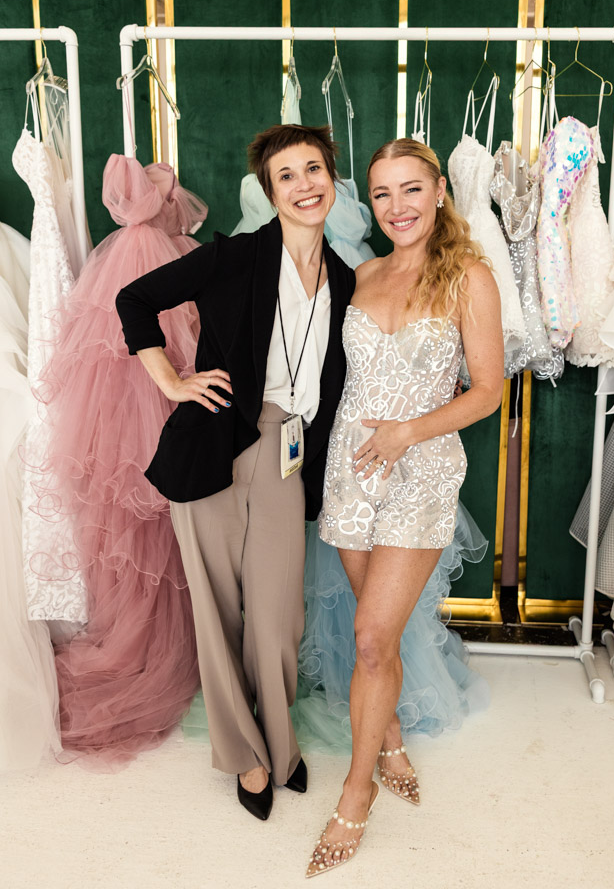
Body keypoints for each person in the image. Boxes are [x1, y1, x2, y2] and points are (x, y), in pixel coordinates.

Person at [115, 124, 355, 821]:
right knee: (216, 615)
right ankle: (245, 758)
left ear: (331, 178)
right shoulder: (238, 256)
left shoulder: (344, 278)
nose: (304, 184)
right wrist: (170, 380)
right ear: (268, 190)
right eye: (287, 175)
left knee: (278, 619)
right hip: (213, 445)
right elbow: (134, 301)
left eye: (314, 169)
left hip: (288, 452)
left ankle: (280, 743)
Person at [306, 138, 504, 877]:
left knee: (367, 638)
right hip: (349, 474)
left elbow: (486, 391)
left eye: (410, 190)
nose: (397, 207)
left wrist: (408, 432)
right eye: (382, 194)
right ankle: (386, 735)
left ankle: (355, 796)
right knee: (373, 638)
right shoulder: (361, 273)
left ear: (439, 193)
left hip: (420, 471)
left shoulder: (468, 277)